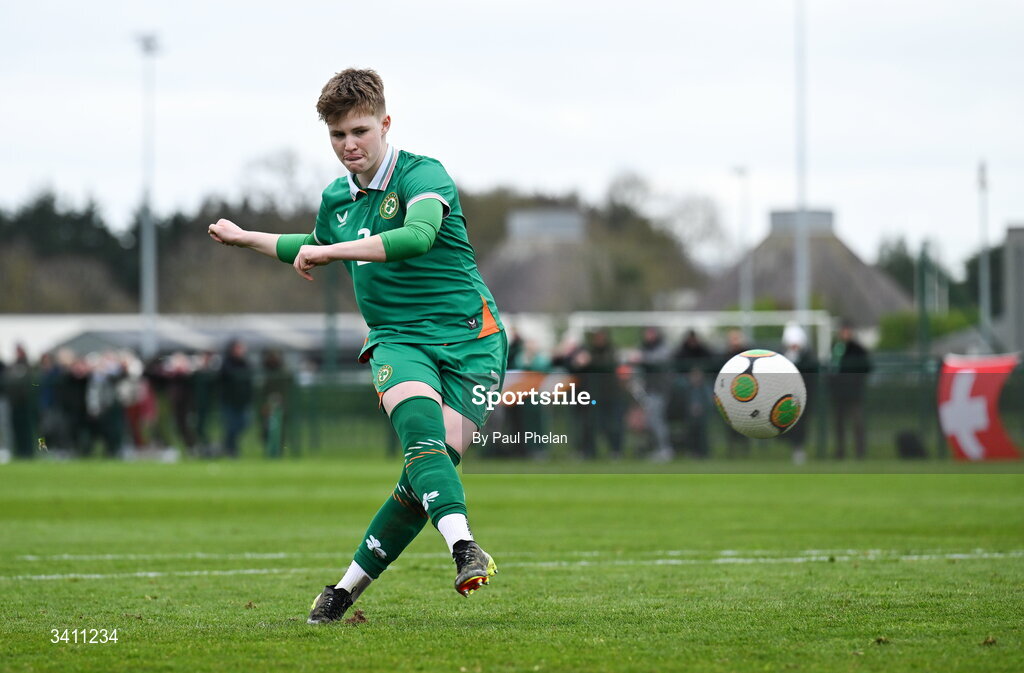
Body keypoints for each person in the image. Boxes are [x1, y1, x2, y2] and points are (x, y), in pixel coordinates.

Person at [208, 68, 506, 624]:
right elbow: (314, 245)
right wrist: (247, 237)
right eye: (338, 135)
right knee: (422, 441)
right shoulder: (336, 199)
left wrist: (333, 253)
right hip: (397, 340)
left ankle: (342, 591)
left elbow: (416, 238)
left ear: (385, 124)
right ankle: (465, 547)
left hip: (473, 343)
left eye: (360, 131)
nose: (350, 145)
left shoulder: (425, 176)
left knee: (422, 480)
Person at [831, 323, 871, 459]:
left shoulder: (858, 350)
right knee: (839, 424)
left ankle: (860, 452)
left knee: (857, 423)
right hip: (839, 394)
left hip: (854, 394)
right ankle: (840, 451)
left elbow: (866, 367)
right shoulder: (836, 348)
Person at [780, 322, 818, 465]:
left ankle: (798, 448)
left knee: (801, 423)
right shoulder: (781, 357)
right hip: (784, 398)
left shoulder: (807, 358)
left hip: (802, 397)